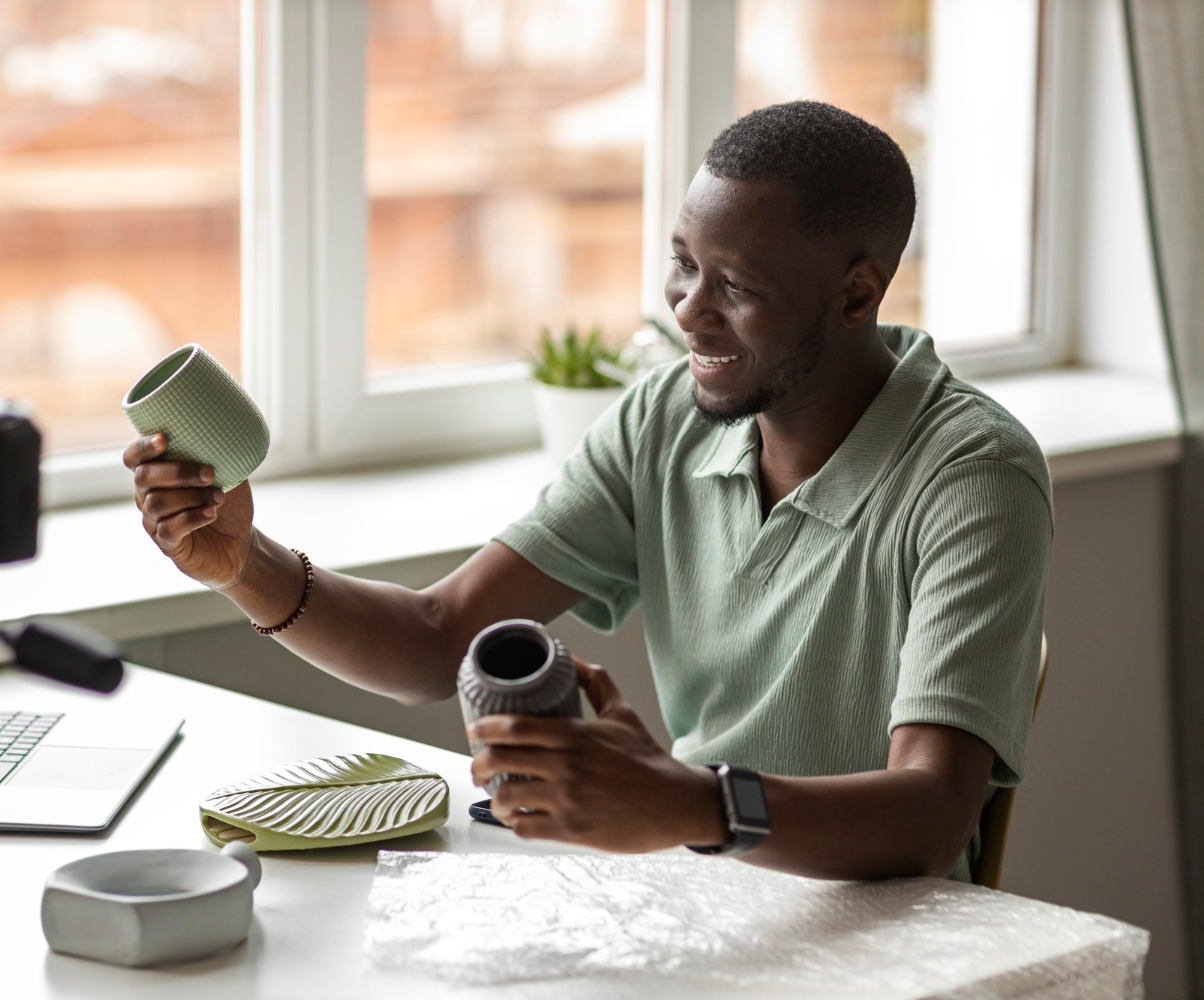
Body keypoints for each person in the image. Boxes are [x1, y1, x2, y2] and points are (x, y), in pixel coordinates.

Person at [124, 101, 1051, 882]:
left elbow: (932, 812)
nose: (687, 309)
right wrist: (240, 563)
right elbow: (438, 642)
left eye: (736, 284)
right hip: (703, 893)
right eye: (685, 262)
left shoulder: (972, 475)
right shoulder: (664, 420)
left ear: (856, 295)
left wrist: (692, 801)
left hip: (889, 946)